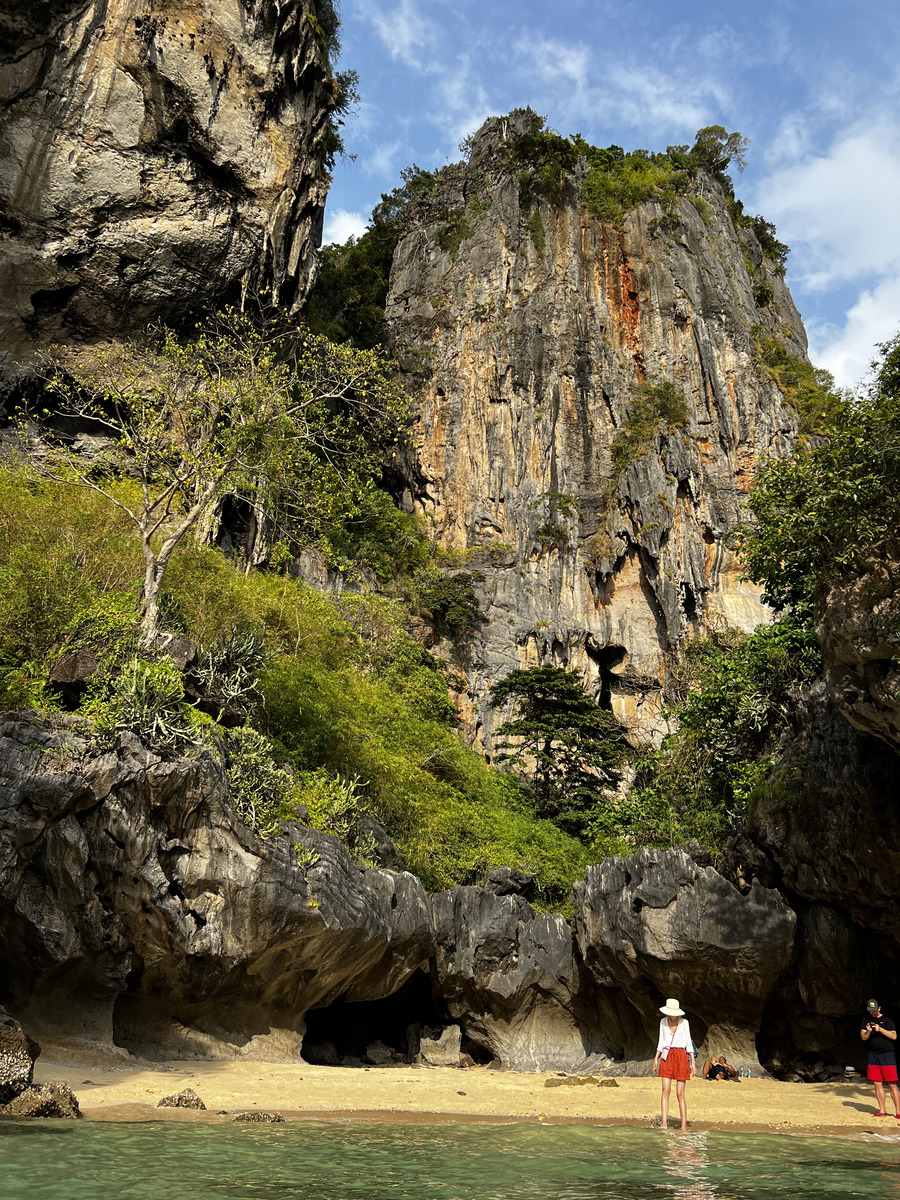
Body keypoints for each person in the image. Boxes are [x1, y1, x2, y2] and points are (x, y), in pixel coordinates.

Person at [653, 997, 696, 1131]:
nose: (672, 1016)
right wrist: (656, 1058)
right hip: (666, 1056)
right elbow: (661, 1041)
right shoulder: (663, 1022)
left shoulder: (684, 1023)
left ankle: (683, 1126)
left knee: (679, 1094)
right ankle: (664, 1123)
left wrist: (693, 1063)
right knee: (666, 1090)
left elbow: (689, 1042)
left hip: (681, 1056)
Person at [860, 998, 900, 1118]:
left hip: (887, 1054)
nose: (872, 1012)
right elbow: (863, 1037)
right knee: (877, 1083)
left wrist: (880, 1029)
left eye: (874, 1010)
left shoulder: (887, 1021)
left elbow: (894, 1036)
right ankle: (882, 1111)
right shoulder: (866, 1020)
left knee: (892, 1083)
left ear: (879, 1008)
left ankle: (898, 1112)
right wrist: (868, 1031)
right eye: (870, 1010)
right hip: (873, 1054)